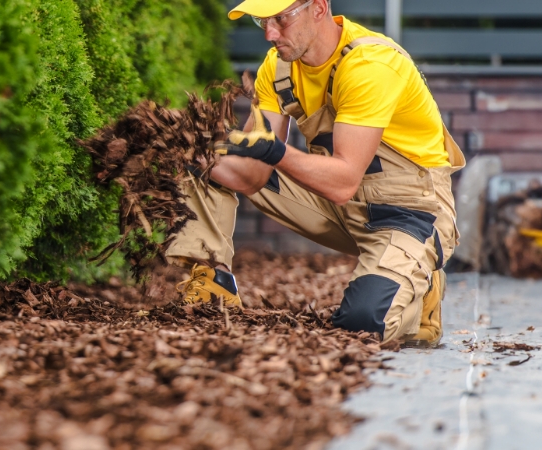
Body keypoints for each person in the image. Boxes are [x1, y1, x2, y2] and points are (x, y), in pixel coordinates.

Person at [168, 0, 465, 347]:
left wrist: (277, 152)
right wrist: (184, 148)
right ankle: (213, 285)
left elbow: (343, 181)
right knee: (206, 161)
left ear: (319, 7)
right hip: (337, 205)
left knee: (362, 326)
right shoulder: (279, 68)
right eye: (260, 21)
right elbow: (251, 175)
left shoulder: (371, 65)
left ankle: (422, 285)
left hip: (408, 214)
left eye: (281, 18)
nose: (270, 33)